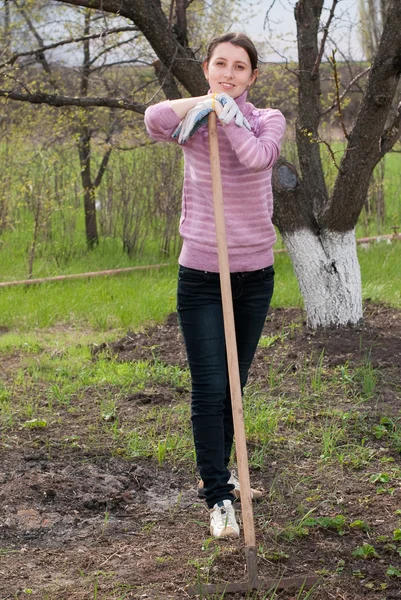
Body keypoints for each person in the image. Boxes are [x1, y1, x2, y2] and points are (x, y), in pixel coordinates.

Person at [144, 32, 286, 539]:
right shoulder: (193, 121)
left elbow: (255, 158)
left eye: (239, 67)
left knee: (233, 386)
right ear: (206, 68)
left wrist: (229, 114)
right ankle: (219, 496)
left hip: (254, 276)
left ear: (253, 76)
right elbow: (153, 119)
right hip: (202, 275)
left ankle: (232, 471)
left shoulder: (267, 119)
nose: (229, 72)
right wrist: (207, 103)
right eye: (220, 64)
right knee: (209, 387)